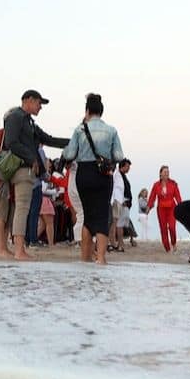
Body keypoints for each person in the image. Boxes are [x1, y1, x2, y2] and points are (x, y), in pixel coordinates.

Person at [0, 90, 69, 261]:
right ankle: (19, 250)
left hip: (28, 170)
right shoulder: (16, 117)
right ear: (29, 100)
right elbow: (11, 142)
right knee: (22, 209)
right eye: (39, 103)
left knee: (21, 209)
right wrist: (31, 158)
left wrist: (73, 142)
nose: (40, 107)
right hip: (22, 169)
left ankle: (18, 248)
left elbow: (48, 139)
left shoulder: (28, 121)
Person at [61, 93, 124, 265]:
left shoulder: (79, 130)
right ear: (101, 111)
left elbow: (70, 154)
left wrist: (66, 152)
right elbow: (119, 156)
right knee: (102, 215)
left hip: (84, 174)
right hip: (103, 175)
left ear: (87, 110)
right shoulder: (111, 130)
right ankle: (101, 259)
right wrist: (107, 157)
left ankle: (85, 258)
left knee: (87, 217)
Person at [147, 165, 182, 252]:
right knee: (163, 228)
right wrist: (149, 207)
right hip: (161, 209)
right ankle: (167, 248)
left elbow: (178, 196)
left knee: (172, 227)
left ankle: (173, 243)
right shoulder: (156, 185)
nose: (167, 173)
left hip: (172, 208)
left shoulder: (173, 184)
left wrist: (181, 206)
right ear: (160, 174)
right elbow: (152, 197)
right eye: (165, 172)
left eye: (168, 172)